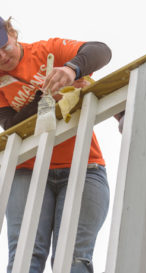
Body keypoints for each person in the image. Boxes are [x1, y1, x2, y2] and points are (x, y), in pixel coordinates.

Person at [0, 16, 112, 273]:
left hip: (85, 166)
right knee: (24, 259)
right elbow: (12, 124)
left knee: (74, 259)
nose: (2, 56)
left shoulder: (47, 50)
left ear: (11, 32)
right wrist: (46, 96)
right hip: (27, 170)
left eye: (3, 45)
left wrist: (71, 69)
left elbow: (100, 51)